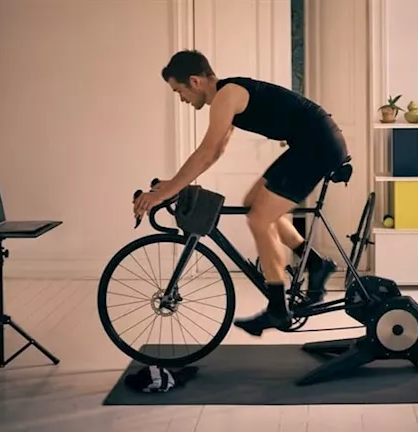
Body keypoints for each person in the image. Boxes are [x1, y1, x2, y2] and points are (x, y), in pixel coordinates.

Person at [133, 50, 349, 336]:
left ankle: (277, 309)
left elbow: (205, 152)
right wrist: (174, 183)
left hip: (317, 145)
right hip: (310, 142)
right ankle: (316, 264)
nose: (182, 99)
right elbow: (214, 152)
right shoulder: (227, 96)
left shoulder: (227, 96)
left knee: (259, 219)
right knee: (253, 204)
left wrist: (164, 194)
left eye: (179, 91)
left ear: (195, 81)